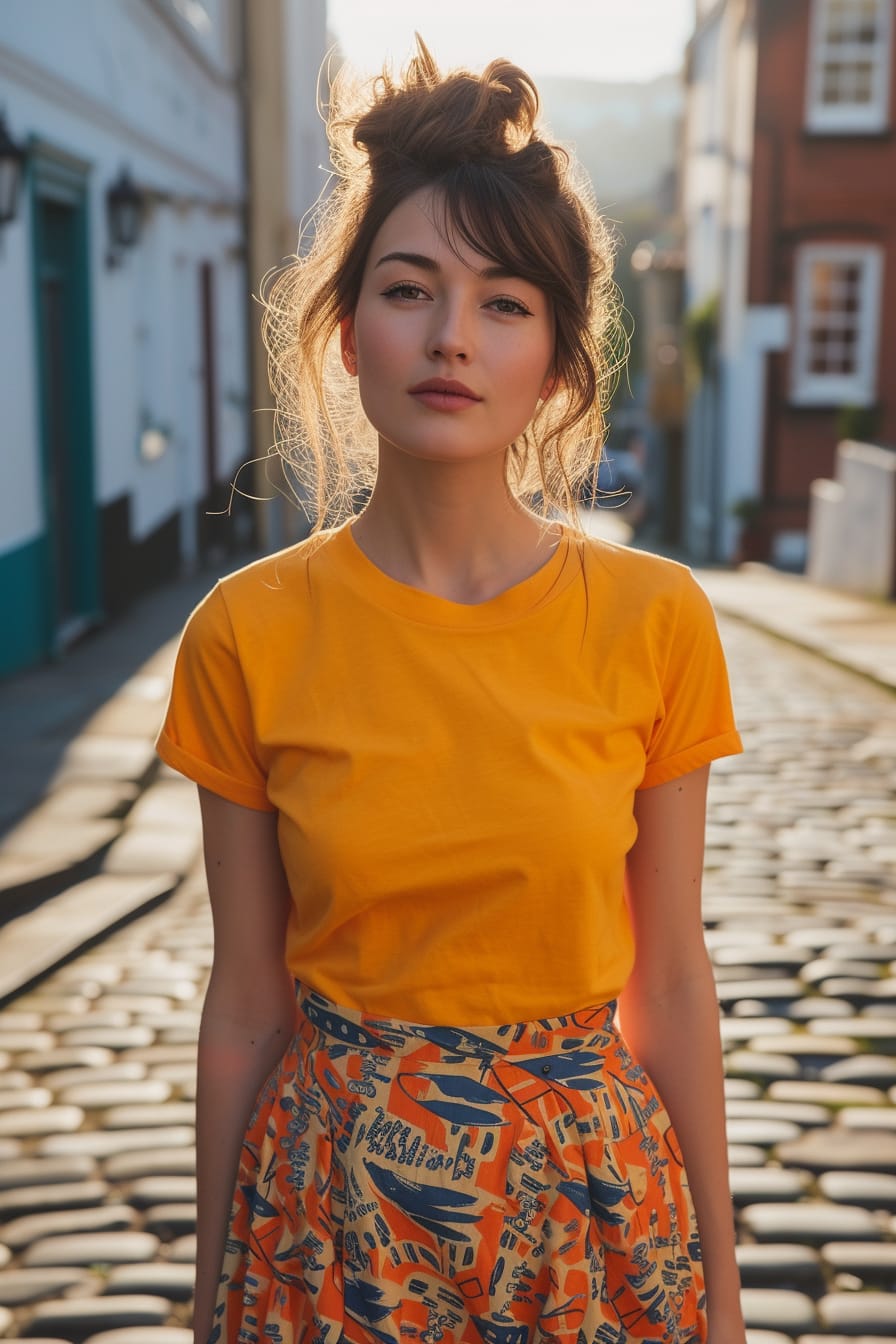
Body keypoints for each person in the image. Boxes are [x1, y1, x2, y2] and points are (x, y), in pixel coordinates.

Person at [156, 38, 746, 1344]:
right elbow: (246, 1002)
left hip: (595, 1213)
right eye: (410, 289)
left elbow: (674, 985)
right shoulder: (246, 634)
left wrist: (722, 1291)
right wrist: (213, 1299)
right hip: (329, 1221)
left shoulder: (655, 622)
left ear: (558, 358)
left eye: (502, 303)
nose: (449, 339)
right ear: (350, 331)